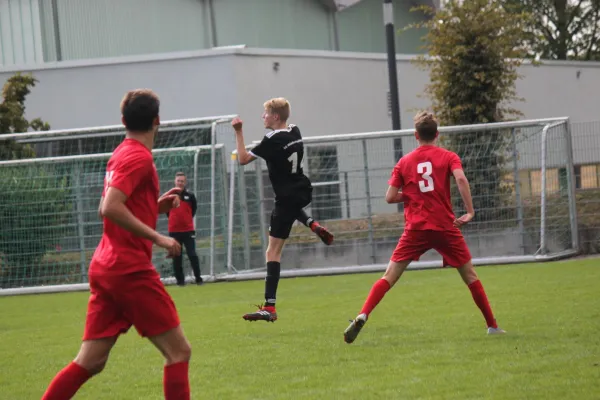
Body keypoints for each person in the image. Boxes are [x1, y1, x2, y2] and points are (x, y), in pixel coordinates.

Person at [41, 89, 193, 400]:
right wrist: (158, 236)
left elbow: (120, 205)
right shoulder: (139, 157)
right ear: (157, 121)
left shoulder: (122, 152)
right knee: (179, 352)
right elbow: (110, 207)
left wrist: (155, 208)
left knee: (91, 360)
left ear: (123, 120)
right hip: (128, 269)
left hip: (107, 267)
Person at [343, 111, 506, 344]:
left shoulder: (404, 162)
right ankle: (492, 326)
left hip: (416, 228)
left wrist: (411, 193)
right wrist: (469, 211)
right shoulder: (449, 156)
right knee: (470, 276)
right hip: (445, 226)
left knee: (389, 276)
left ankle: (363, 313)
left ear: (415, 135)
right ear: (437, 134)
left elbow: (389, 197)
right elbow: (460, 179)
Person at [232, 97, 334, 322]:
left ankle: (269, 307)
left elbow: (242, 159)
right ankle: (312, 223)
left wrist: (239, 132)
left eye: (265, 113)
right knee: (290, 207)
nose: (263, 116)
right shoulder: (295, 130)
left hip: (286, 198)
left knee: (272, 252)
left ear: (275, 116)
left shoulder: (271, 139)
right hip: (302, 190)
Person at [167, 172, 203, 286]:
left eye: (182, 181)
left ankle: (198, 279)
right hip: (174, 231)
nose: (180, 183)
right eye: (178, 180)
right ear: (175, 181)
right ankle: (180, 282)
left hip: (188, 230)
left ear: (185, 182)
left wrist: (186, 220)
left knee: (192, 254)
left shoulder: (190, 196)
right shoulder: (169, 196)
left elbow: (193, 210)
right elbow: (167, 211)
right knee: (177, 257)